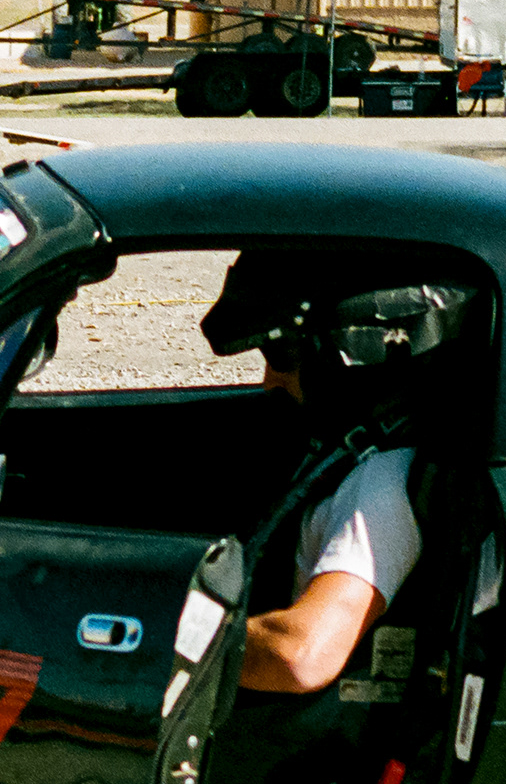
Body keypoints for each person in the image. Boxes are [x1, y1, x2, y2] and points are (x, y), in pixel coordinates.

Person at [193, 253, 468, 696]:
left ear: (342, 361)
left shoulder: (383, 485)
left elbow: (301, 656)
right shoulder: (356, 452)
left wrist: (154, 642)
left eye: (281, 358)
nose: (269, 382)